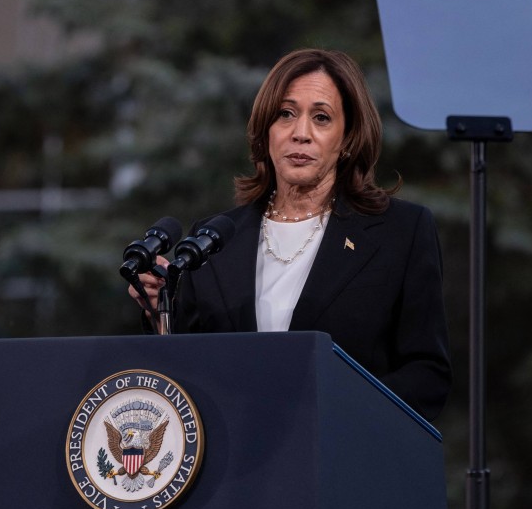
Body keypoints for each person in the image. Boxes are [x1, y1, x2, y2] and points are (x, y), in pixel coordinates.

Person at [129, 48, 451, 421]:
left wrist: (336, 417)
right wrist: (159, 312)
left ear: (347, 138)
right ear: (266, 131)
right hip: (235, 464)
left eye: (322, 117)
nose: (301, 134)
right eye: (285, 114)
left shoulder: (401, 232)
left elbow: (427, 374)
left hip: (344, 458)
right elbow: (186, 373)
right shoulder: (213, 240)